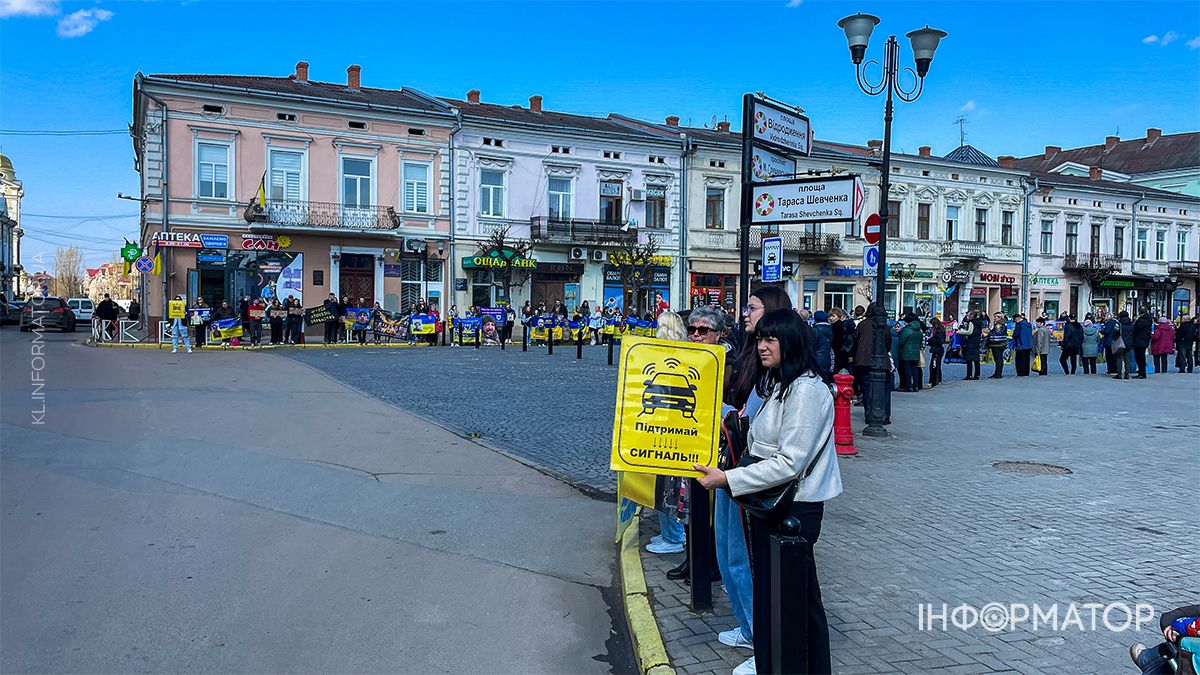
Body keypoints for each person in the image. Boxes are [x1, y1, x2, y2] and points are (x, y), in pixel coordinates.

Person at [694, 309, 841, 675]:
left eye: (770, 339)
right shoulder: (781, 384)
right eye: (759, 338)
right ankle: (776, 663)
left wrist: (728, 480)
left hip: (794, 508)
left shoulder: (806, 390)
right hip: (775, 505)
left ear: (790, 342)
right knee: (782, 597)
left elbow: (790, 462)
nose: (761, 346)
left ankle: (801, 666)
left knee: (796, 600)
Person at [644, 311, 689, 557]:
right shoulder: (687, 355)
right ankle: (670, 532)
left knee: (667, 485)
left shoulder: (662, 356)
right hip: (678, 429)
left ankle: (673, 535)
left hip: (666, 430)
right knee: (671, 484)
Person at [853, 304, 878, 399]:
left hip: (864, 357)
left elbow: (855, 340)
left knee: (865, 381)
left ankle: (866, 400)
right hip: (877, 357)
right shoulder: (883, 325)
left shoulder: (863, 325)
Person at [897, 313, 923, 391]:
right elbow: (920, 341)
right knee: (914, 369)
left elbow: (901, 342)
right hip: (915, 353)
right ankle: (916, 386)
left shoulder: (906, 330)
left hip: (906, 353)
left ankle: (909, 386)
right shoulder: (918, 330)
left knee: (907, 370)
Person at [958, 310, 984, 380]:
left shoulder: (971, 322)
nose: (967, 316)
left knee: (969, 359)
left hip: (971, 342)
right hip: (976, 341)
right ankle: (977, 375)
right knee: (976, 360)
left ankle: (969, 375)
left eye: (969, 315)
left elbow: (969, 332)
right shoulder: (979, 322)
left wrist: (959, 332)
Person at [829, 308, 853, 375]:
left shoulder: (837, 326)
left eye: (833, 316)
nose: (831, 318)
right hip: (841, 353)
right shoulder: (840, 325)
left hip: (839, 352)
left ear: (839, 316)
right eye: (830, 316)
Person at [1132, 306, 1153, 378]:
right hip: (1144, 340)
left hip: (1140, 340)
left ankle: (1142, 372)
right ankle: (1141, 371)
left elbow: (1136, 328)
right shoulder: (1148, 319)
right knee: (1140, 357)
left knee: (1139, 357)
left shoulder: (1142, 320)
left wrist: (1135, 322)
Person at [986, 312, 1009, 379]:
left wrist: (989, 332)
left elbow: (996, 333)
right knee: (999, 359)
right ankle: (997, 373)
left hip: (997, 344)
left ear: (999, 317)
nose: (994, 318)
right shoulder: (1004, 323)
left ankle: (998, 374)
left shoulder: (999, 324)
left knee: (998, 359)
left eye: (995, 316)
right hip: (1002, 344)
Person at [811, 310, 833, 380]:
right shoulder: (830, 330)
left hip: (816, 360)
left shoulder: (815, 330)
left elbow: (811, 345)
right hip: (827, 359)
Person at [1113, 310, 1134, 380]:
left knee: (1119, 358)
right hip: (1129, 342)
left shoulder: (1119, 324)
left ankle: (1119, 374)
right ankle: (1127, 374)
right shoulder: (1131, 324)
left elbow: (1115, 332)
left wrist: (1115, 338)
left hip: (1120, 342)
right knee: (1127, 359)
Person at [927, 317, 945, 387]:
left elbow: (939, 341)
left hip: (937, 350)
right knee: (936, 366)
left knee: (934, 366)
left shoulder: (939, 331)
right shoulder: (940, 330)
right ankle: (937, 380)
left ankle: (934, 381)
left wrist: (930, 340)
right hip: (937, 350)